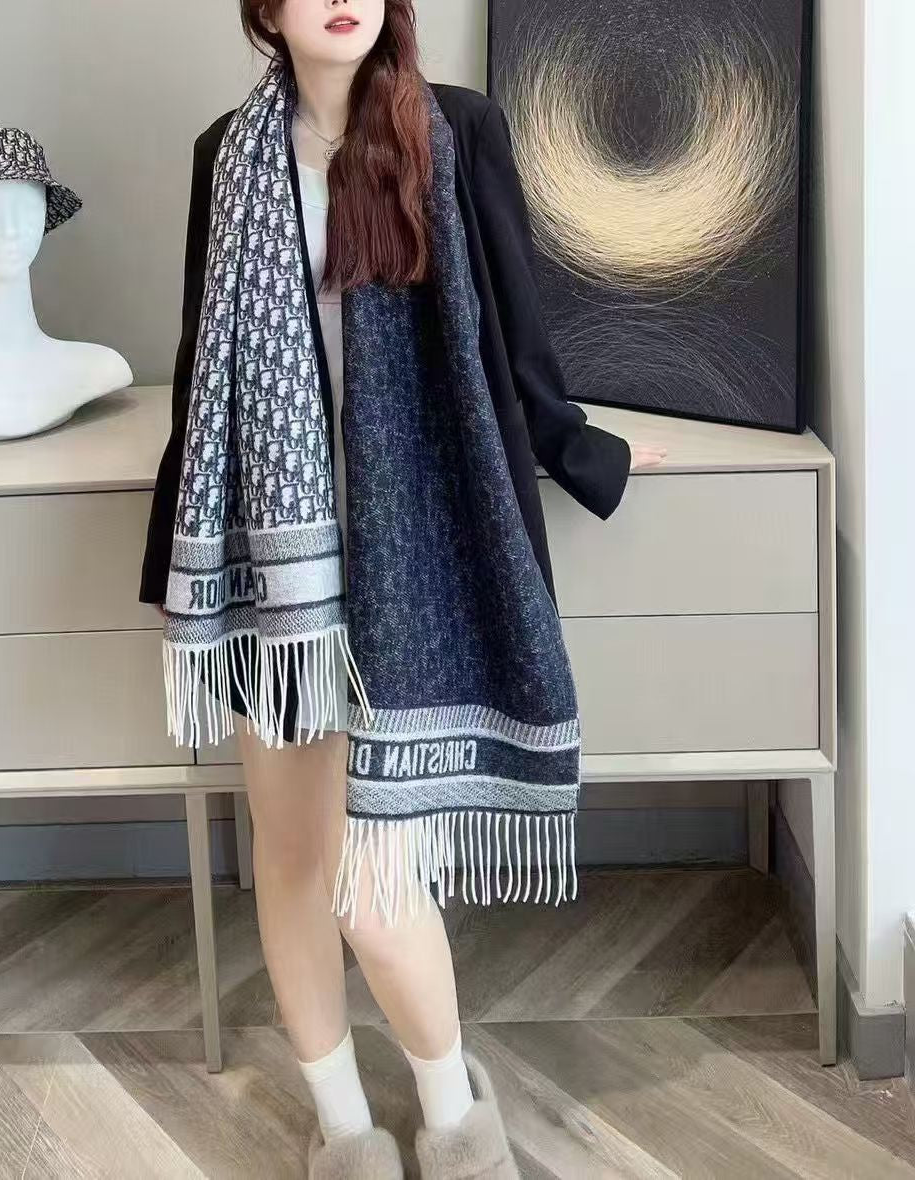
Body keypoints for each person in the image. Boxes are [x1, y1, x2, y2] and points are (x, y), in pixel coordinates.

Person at [140, 2, 666, 1176]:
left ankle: (454, 1120)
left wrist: (579, 445)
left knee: (370, 890)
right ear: (266, 11)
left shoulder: (454, 131)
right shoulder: (228, 157)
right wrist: (182, 547)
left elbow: (516, 333)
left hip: (411, 555)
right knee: (286, 859)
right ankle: (345, 1134)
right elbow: (201, 363)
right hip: (272, 570)